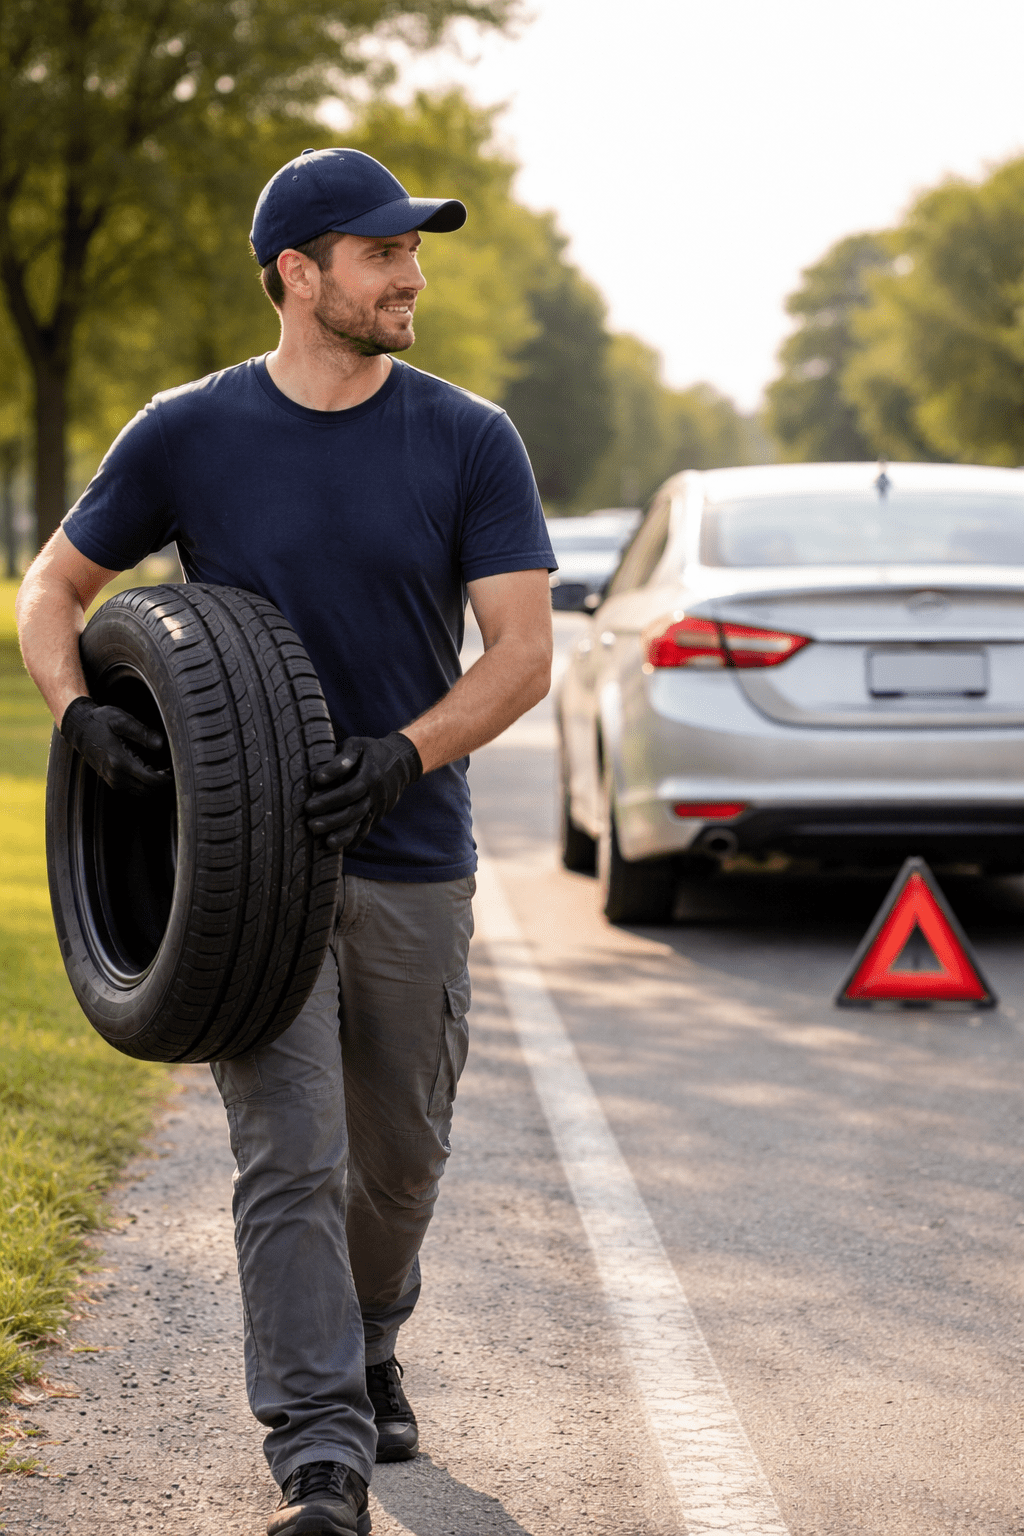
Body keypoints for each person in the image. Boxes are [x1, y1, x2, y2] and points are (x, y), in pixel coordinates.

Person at [16, 147, 554, 1536]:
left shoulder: (466, 436)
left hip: (410, 838)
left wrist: (404, 754)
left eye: (412, 253)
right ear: (299, 275)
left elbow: (524, 653)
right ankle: (319, 1456)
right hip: (249, 868)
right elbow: (55, 590)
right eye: (385, 255)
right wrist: (82, 714)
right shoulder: (189, 432)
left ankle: (375, 1334)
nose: (411, 277)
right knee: (290, 1150)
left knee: (401, 1156)